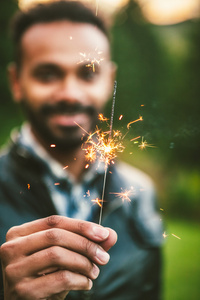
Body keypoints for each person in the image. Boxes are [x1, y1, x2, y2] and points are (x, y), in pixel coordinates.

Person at [0, 1, 163, 299]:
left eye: (88, 73)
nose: (69, 93)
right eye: (47, 74)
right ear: (16, 82)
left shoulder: (141, 193)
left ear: (110, 81)